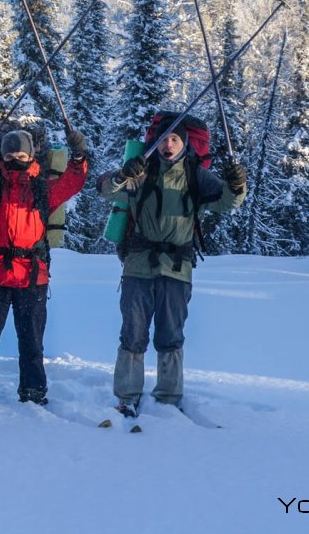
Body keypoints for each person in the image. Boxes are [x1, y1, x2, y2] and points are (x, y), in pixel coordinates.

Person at [98, 112, 247, 417]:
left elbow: (227, 202)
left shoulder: (196, 176)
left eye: (176, 139)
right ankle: (127, 397)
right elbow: (104, 189)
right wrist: (121, 175)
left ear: (185, 143)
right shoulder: (141, 170)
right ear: (155, 141)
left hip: (178, 268)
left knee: (171, 335)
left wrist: (237, 184)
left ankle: (168, 397)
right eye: (164, 138)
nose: (169, 144)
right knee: (133, 333)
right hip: (138, 265)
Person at [0, 125, 88, 412]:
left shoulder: (42, 188)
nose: (16, 157)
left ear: (31, 154)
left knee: (32, 341)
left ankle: (33, 390)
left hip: (31, 274)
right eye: (10, 152)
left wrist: (78, 156)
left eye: (22, 152)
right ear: (2, 155)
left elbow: (73, 182)